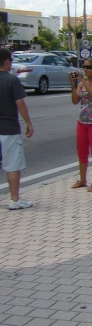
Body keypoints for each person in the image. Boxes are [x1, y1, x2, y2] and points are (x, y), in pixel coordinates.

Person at [0, 48, 34, 210]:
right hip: (9, 129)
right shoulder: (12, 80)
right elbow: (20, 103)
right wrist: (28, 122)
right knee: (13, 164)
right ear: (7, 61)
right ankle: (15, 199)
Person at [68, 55, 92, 192]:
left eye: (88, 67)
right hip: (82, 122)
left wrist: (83, 80)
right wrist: (74, 84)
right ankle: (82, 179)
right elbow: (75, 100)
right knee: (81, 152)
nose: (85, 69)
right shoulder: (81, 83)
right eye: (84, 67)